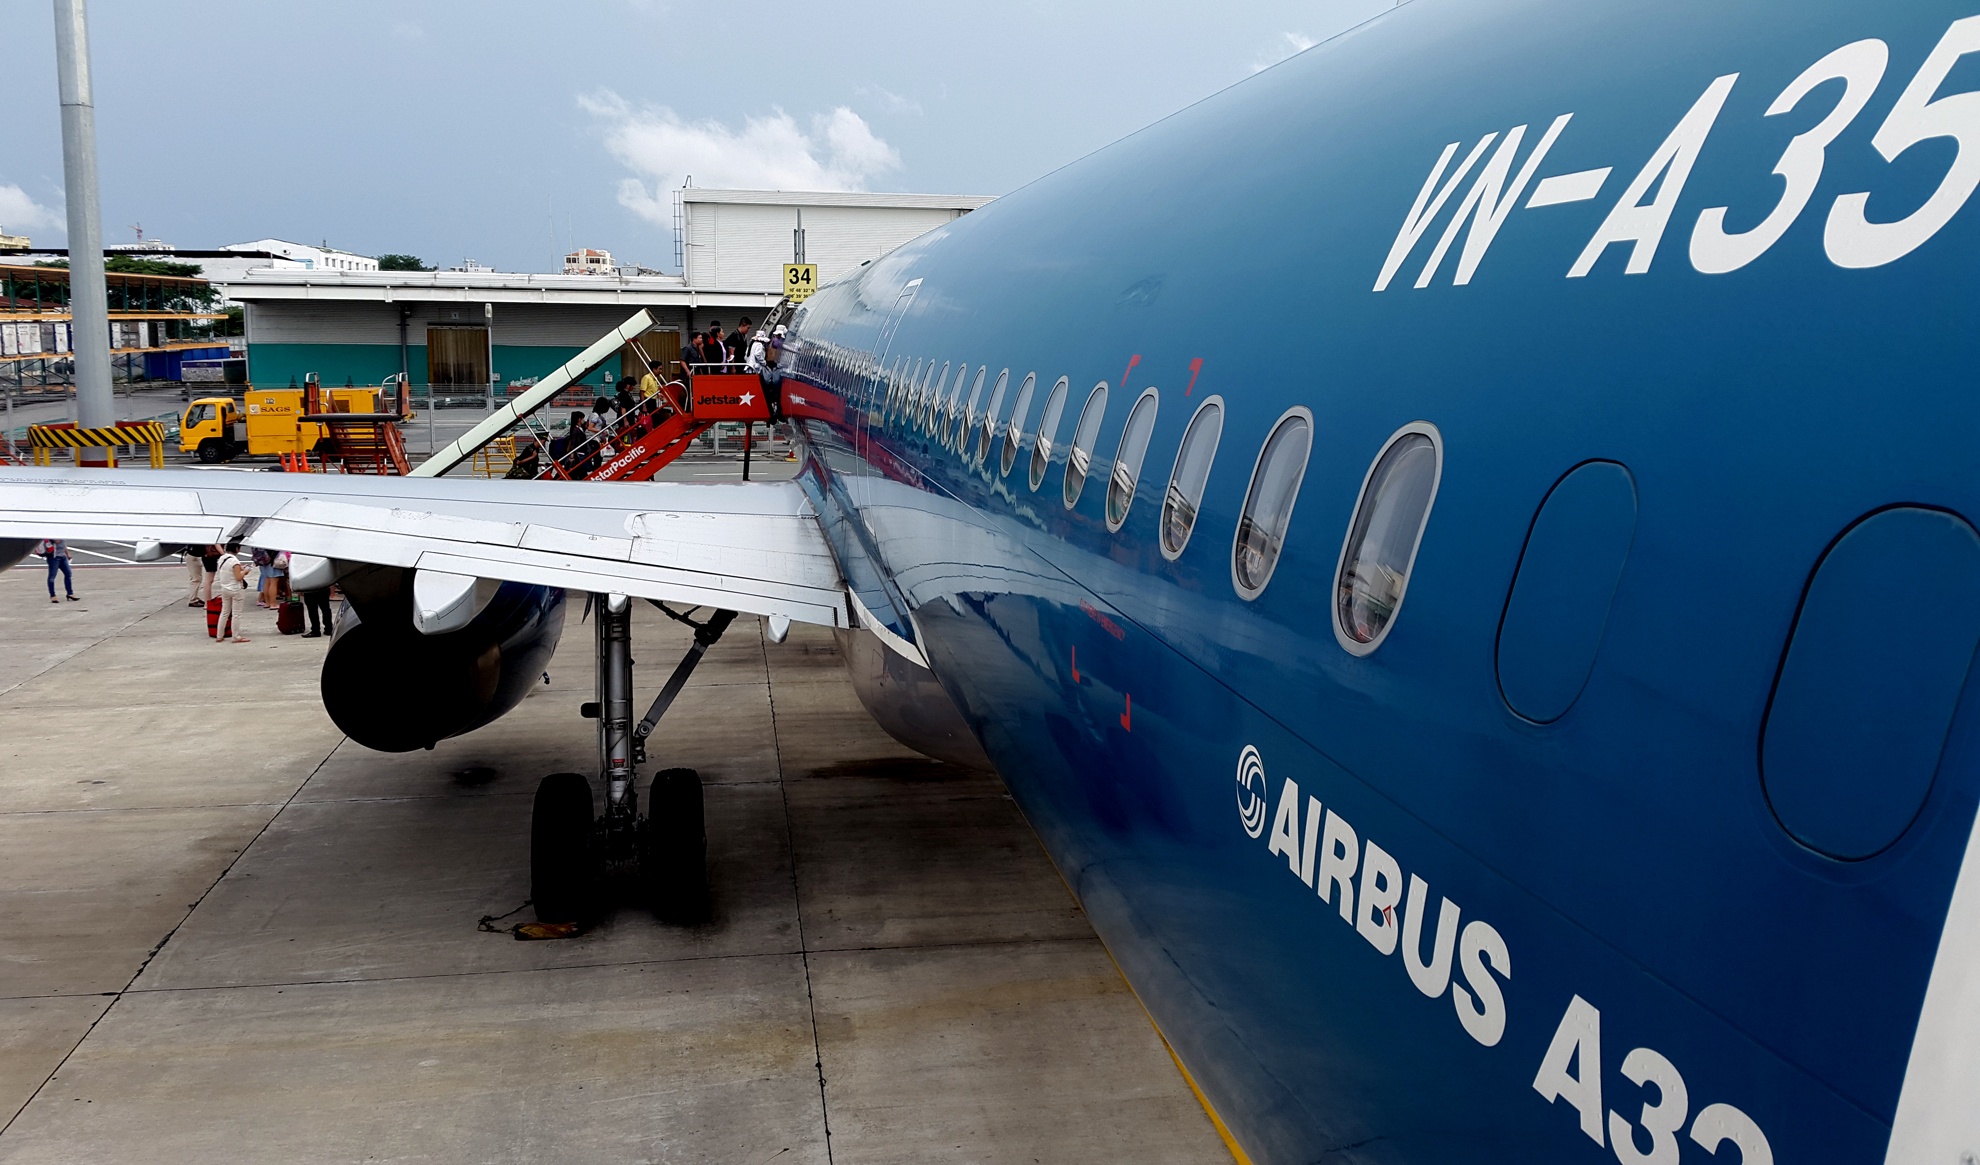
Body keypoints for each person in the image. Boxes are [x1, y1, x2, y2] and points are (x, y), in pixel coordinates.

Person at [213, 541, 252, 643]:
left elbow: (229, 570)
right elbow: (239, 577)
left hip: (225, 588)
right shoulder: (235, 561)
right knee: (236, 614)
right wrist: (245, 571)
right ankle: (235, 636)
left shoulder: (222, 558)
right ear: (237, 549)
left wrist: (240, 569)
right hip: (236, 589)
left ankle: (219, 635)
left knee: (224, 612)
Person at [39, 539, 76, 603]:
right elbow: (57, 541)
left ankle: (70, 593)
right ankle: (52, 595)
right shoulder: (52, 535)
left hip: (63, 557)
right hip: (53, 557)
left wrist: (67, 554)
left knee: (68, 573)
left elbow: (63, 544)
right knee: (52, 577)